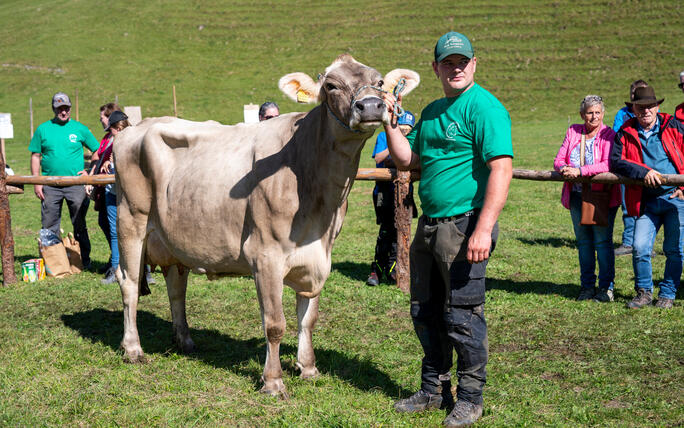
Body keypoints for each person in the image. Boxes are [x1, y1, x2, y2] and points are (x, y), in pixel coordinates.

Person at [383, 31, 513, 427]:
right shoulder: (434, 110)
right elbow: (407, 158)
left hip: (465, 223)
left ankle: (471, 398)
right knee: (425, 310)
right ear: (436, 67)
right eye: (448, 63)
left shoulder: (485, 107)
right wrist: (391, 122)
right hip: (429, 224)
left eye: (462, 62)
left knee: (462, 315)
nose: (455, 68)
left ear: (474, 65)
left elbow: (501, 168)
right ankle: (434, 388)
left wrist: (483, 229)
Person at [610, 86, 684, 310]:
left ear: (657, 106)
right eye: (640, 107)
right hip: (645, 200)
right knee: (640, 246)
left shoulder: (674, 125)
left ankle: (668, 293)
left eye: (649, 106)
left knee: (675, 250)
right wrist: (643, 172)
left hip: (675, 198)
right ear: (633, 108)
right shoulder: (625, 132)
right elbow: (616, 161)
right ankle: (644, 292)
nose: (645, 111)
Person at [554, 95, 620, 302]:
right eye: (590, 112)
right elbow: (558, 158)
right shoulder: (573, 131)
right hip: (576, 195)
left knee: (602, 242)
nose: (594, 116)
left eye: (597, 112)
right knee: (583, 243)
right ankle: (587, 287)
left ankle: (606, 288)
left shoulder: (610, 134)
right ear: (582, 114)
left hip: (601, 196)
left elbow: (607, 164)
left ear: (603, 114)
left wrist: (580, 171)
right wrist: (563, 168)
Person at [29, 92, 100, 269]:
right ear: (54, 109)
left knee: (79, 223)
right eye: (60, 108)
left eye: (66, 108)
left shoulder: (80, 128)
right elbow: (36, 156)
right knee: (49, 224)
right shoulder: (43, 129)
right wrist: (37, 182)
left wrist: (89, 173)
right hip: (50, 186)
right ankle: (52, 262)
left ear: (70, 108)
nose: (63, 112)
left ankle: (84, 260)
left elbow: (98, 151)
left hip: (76, 185)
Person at [366, 111, 417, 286]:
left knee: (401, 230)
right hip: (384, 190)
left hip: (405, 191)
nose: (405, 133)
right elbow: (380, 158)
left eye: (408, 130)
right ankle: (377, 269)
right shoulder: (383, 136)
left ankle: (394, 269)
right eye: (402, 129)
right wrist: (396, 143)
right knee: (386, 230)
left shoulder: (413, 139)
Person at [613, 80, 648, 256]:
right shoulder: (623, 114)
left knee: (648, 206)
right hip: (627, 164)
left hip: (647, 166)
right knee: (628, 206)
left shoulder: (650, 114)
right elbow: (617, 134)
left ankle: (645, 244)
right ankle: (628, 243)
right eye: (635, 93)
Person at [88, 102, 121, 274]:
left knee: (115, 227)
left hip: (114, 188)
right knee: (104, 223)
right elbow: (97, 155)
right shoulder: (107, 137)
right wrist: (91, 172)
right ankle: (115, 257)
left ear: (110, 117)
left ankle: (118, 261)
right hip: (104, 187)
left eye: (102, 117)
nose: (100, 120)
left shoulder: (119, 136)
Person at [98, 111, 128, 284]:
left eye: (113, 130)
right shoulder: (114, 142)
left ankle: (145, 270)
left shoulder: (131, 142)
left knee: (138, 231)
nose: (110, 133)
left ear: (119, 127)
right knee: (114, 232)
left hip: (128, 194)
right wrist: (109, 163)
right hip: (112, 192)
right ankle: (116, 269)